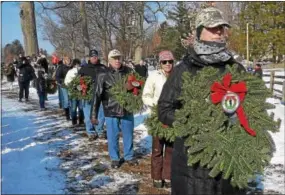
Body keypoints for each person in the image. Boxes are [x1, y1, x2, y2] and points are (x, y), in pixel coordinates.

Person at [157, 7, 247, 195]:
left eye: (221, 28)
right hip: (192, 165)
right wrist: (192, 121)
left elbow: (250, 109)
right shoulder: (183, 70)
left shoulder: (236, 69)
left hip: (227, 161)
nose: (219, 32)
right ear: (199, 31)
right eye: (212, 28)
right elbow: (164, 110)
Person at [91, 49, 139, 168]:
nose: (117, 60)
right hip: (110, 109)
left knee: (128, 134)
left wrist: (133, 87)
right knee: (113, 135)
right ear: (109, 60)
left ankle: (129, 156)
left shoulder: (129, 71)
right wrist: (93, 115)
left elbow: (138, 86)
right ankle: (115, 158)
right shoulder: (102, 74)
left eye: (119, 58)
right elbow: (97, 95)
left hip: (127, 108)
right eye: (114, 58)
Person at [142, 50, 175, 188]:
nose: (168, 64)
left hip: (173, 116)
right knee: (157, 148)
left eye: (170, 61)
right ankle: (156, 177)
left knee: (171, 149)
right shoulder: (154, 77)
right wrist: (157, 106)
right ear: (160, 63)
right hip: (158, 117)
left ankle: (168, 177)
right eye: (164, 62)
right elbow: (146, 96)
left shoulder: (178, 76)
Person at [78, 49, 107, 140]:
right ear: (89, 58)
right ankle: (90, 131)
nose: (94, 58)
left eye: (95, 56)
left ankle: (100, 130)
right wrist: (80, 88)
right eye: (92, 56)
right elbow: (77, 82)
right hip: (87, 96)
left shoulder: (103, 68)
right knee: (88, 115)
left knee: (101, 114)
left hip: (101, 95)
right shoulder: (84, 69)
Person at [64, 59, 84, 126]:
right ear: (74, 65)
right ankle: (74, 121)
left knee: (80, 107)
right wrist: (73, 85)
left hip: (80, 92)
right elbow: (66, 81)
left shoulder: (82, 71)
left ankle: (81, 121)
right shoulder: (70, 72)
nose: (77, 66)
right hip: (73, 92)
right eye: (76, 64)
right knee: (74, 107)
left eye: (78, 64)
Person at [56, 56, 72, 120]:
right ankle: (67, 115)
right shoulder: (61, 67)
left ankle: (71, 113)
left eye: (69, 60)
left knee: (71, 99)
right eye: (68, 60)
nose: (69, 61)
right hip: (64, 86)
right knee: (66, 100)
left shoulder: (71, 67)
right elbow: (57, 77)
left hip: (71, 85)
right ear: (64, 61)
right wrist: (63, 81)